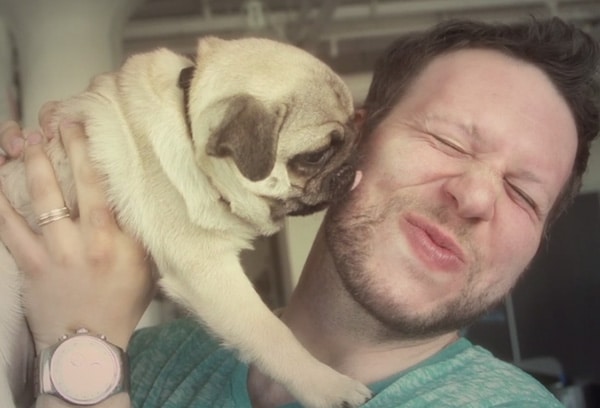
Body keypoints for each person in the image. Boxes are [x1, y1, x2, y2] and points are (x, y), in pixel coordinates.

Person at [0, 16, 598, 408]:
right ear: (359, 133)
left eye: (524, 193)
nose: (474, 197)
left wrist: (83, 351)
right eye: (448, 142)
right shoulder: (152, 359)